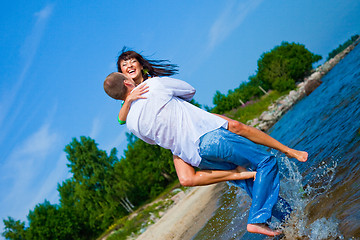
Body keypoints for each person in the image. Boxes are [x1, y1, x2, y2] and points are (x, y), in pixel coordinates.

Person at [103, 72, 307, 236]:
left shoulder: (131, 124)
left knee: (252, 183)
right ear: (128, 83)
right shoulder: (154, 85)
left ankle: (291, 223)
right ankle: (257, 220)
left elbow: (153, 140)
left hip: (197, 158)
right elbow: (189, 91)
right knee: (266, 163)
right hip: (210, 137)